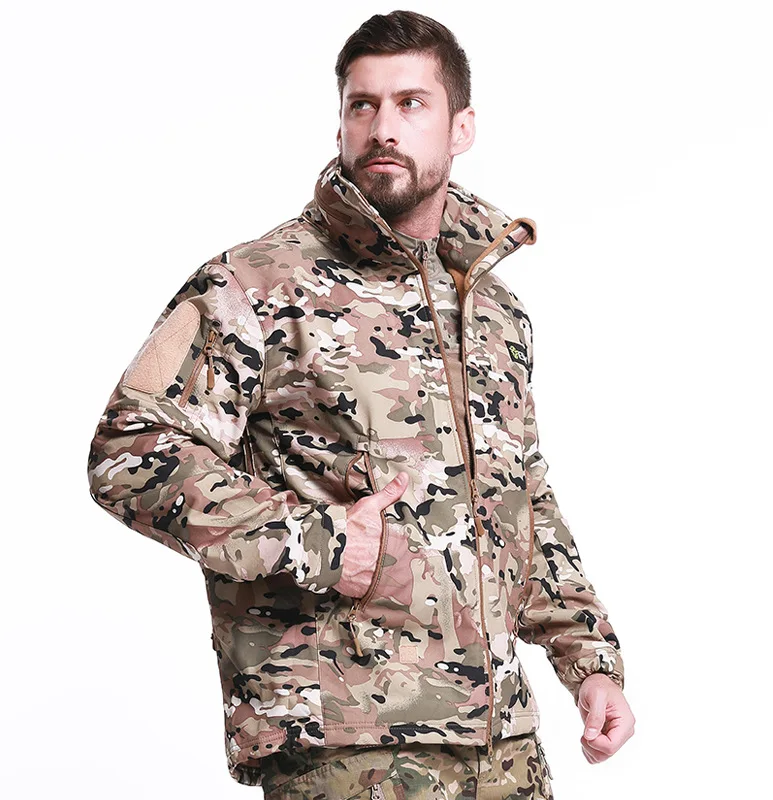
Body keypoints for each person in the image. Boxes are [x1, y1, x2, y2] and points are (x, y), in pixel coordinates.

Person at [86, 9, 635, 798]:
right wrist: (317, 540)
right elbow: (130, 451)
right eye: (362, 105)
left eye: (411, 103)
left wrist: (588, 659)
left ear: (461, 126)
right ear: (341, 121)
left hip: (503, 742)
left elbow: (525, 498)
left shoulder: (493, 310)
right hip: (343, 744)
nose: (384, 127)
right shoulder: (257, 285)